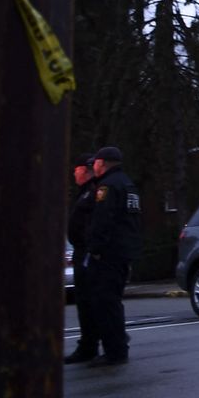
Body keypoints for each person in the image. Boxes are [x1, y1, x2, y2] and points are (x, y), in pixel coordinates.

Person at [82, 145, 142, 366]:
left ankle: (114, 350)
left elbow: (103, 221)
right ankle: (117, 346)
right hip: (123, 252)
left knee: (106, 302)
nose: (94, 167)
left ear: (102, 163)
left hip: (108, 254)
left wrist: (95, 249)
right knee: (113, 301)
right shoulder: (128, 184)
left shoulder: (107, 186)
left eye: (96, 163)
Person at [64, 153, 101, 364]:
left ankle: (89, 345)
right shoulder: (86, 193)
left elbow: (91, 224)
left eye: (76, 170)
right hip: (82, 252)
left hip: (86, 254)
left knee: (88, 302)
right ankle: (88, 343)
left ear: (85, 170)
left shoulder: (92, 193)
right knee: (84, 302)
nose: (74, 174)